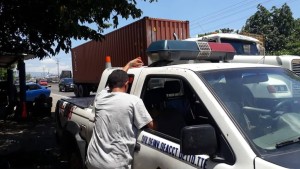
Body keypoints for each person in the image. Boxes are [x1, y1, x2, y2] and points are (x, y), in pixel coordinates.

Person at [86, 57, 154, 169]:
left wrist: (129, 64)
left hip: (93, 160)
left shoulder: (100, 96)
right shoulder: (134, 101)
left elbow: (116, 79)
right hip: (115, 165)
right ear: (126, 83)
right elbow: (150, 125)